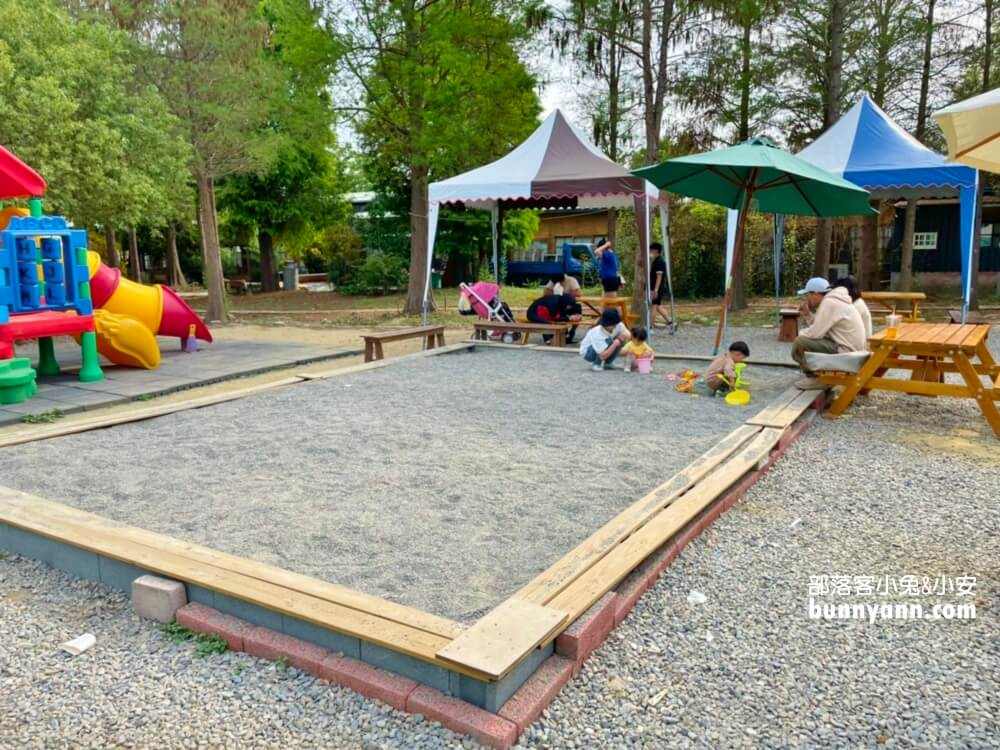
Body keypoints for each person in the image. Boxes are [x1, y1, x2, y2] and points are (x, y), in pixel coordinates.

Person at [791, 277, 867, 389]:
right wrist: (808, 315)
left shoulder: (829, 303)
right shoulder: (835, 300)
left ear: (815, 294)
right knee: (803, 341)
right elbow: (823, 326)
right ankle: (818, 376)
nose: (807, 298)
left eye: (808, 295)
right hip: (853, 350)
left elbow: (814, 334)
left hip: (847, 353)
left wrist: (800, 334)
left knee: (800, 342)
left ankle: (817, 379)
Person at [648, 243, 674, 329]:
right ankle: (671, 322)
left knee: (653, 306)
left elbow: (659, 277)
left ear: (655, 250)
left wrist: (655, 290)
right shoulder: (656, 261)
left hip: (656, 288)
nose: (650, 251)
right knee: (657, 306)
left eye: (651, 249)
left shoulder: (660, 262)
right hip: (654, 287)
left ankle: (650, 327)